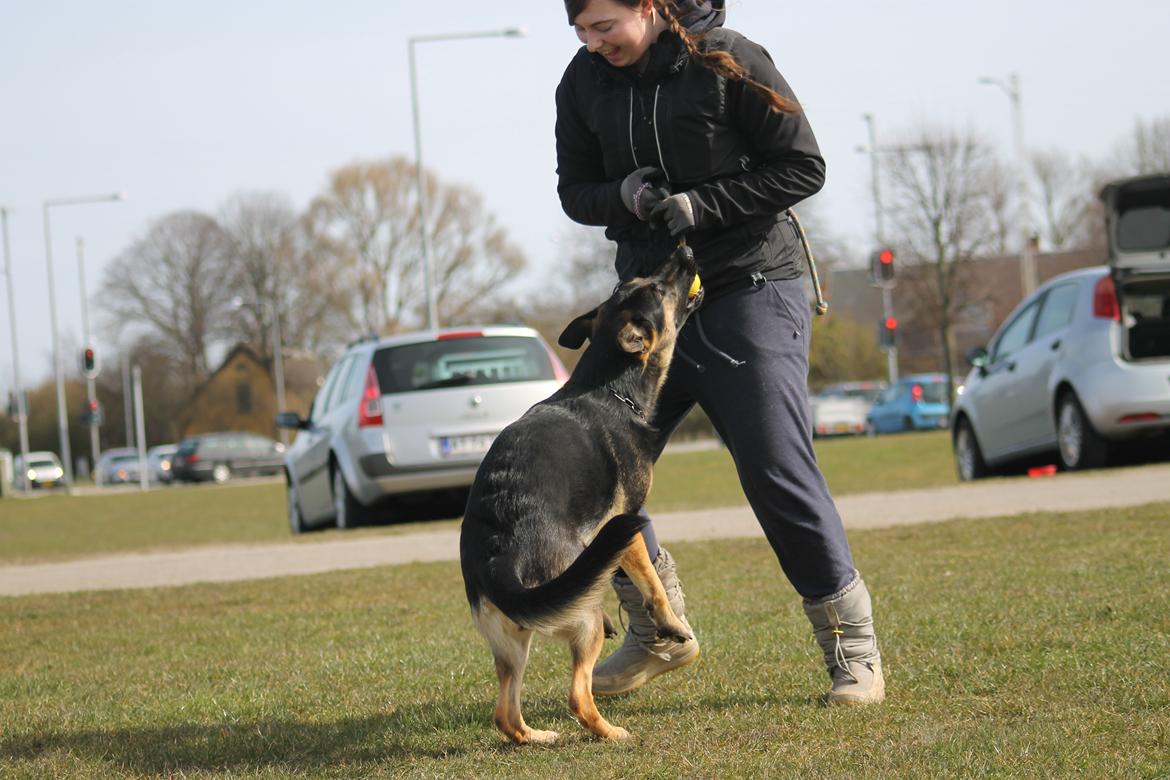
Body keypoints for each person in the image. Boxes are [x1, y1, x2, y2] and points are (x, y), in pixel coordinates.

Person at [555, 0, 884, 705]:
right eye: (581, 32)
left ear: (648, 7)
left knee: (773, 464)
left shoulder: (730, 61)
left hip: (751, 283)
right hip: (650, 300)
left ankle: (851, 651)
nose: (592, 43)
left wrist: (706, 206)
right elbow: (573, 193)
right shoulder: (582, 83)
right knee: (583, 469)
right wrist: (621, 194)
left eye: (604, 26)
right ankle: (659, 629)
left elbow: (803, 167)